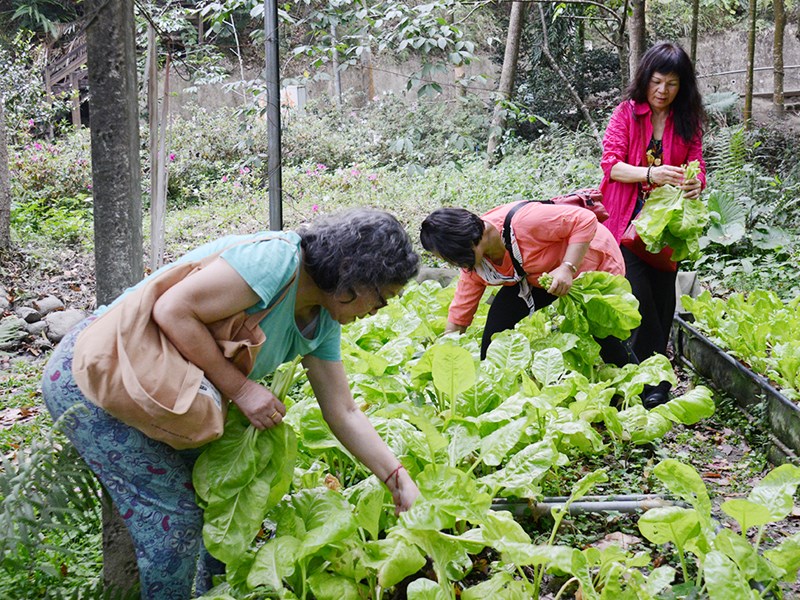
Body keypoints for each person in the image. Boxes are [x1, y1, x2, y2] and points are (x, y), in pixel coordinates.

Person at [41, 208, 421, 599]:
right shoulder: (276, 260)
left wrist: (396, 478)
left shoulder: (323, 321)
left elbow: (343, 411)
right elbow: (172, 309)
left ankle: (215, 592)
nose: (382, 310)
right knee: (174, 519)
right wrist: (242, 390)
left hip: (162, 398)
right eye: (383, 297)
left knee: (219, 506)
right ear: (353, 276)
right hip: (97, 376)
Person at [599, 41, 707, 408]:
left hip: (665, 228)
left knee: (662, 303)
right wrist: (651, 172)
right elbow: (611, 166)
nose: (663, 91)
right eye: (657, 82)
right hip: (623, 225)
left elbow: (698, 165)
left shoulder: (688, 119)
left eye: (672, 84)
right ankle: (653, 382)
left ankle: (651, 385)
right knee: (640, 299)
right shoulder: (626, 114)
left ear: (683, 86)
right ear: (645, 79)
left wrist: (696, 182)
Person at [419, 202, 635, 366]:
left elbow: (584, 220)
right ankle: (492, 378)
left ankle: (648, 390)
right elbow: (461, 311)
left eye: (451, 257)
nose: (453, 263)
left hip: (589, 259)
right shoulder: (476, 262)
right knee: (497, 324)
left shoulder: (525, 222)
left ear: (470, 241)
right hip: (540, 277)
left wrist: (567, 268)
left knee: (604, 332)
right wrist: (445, 351)